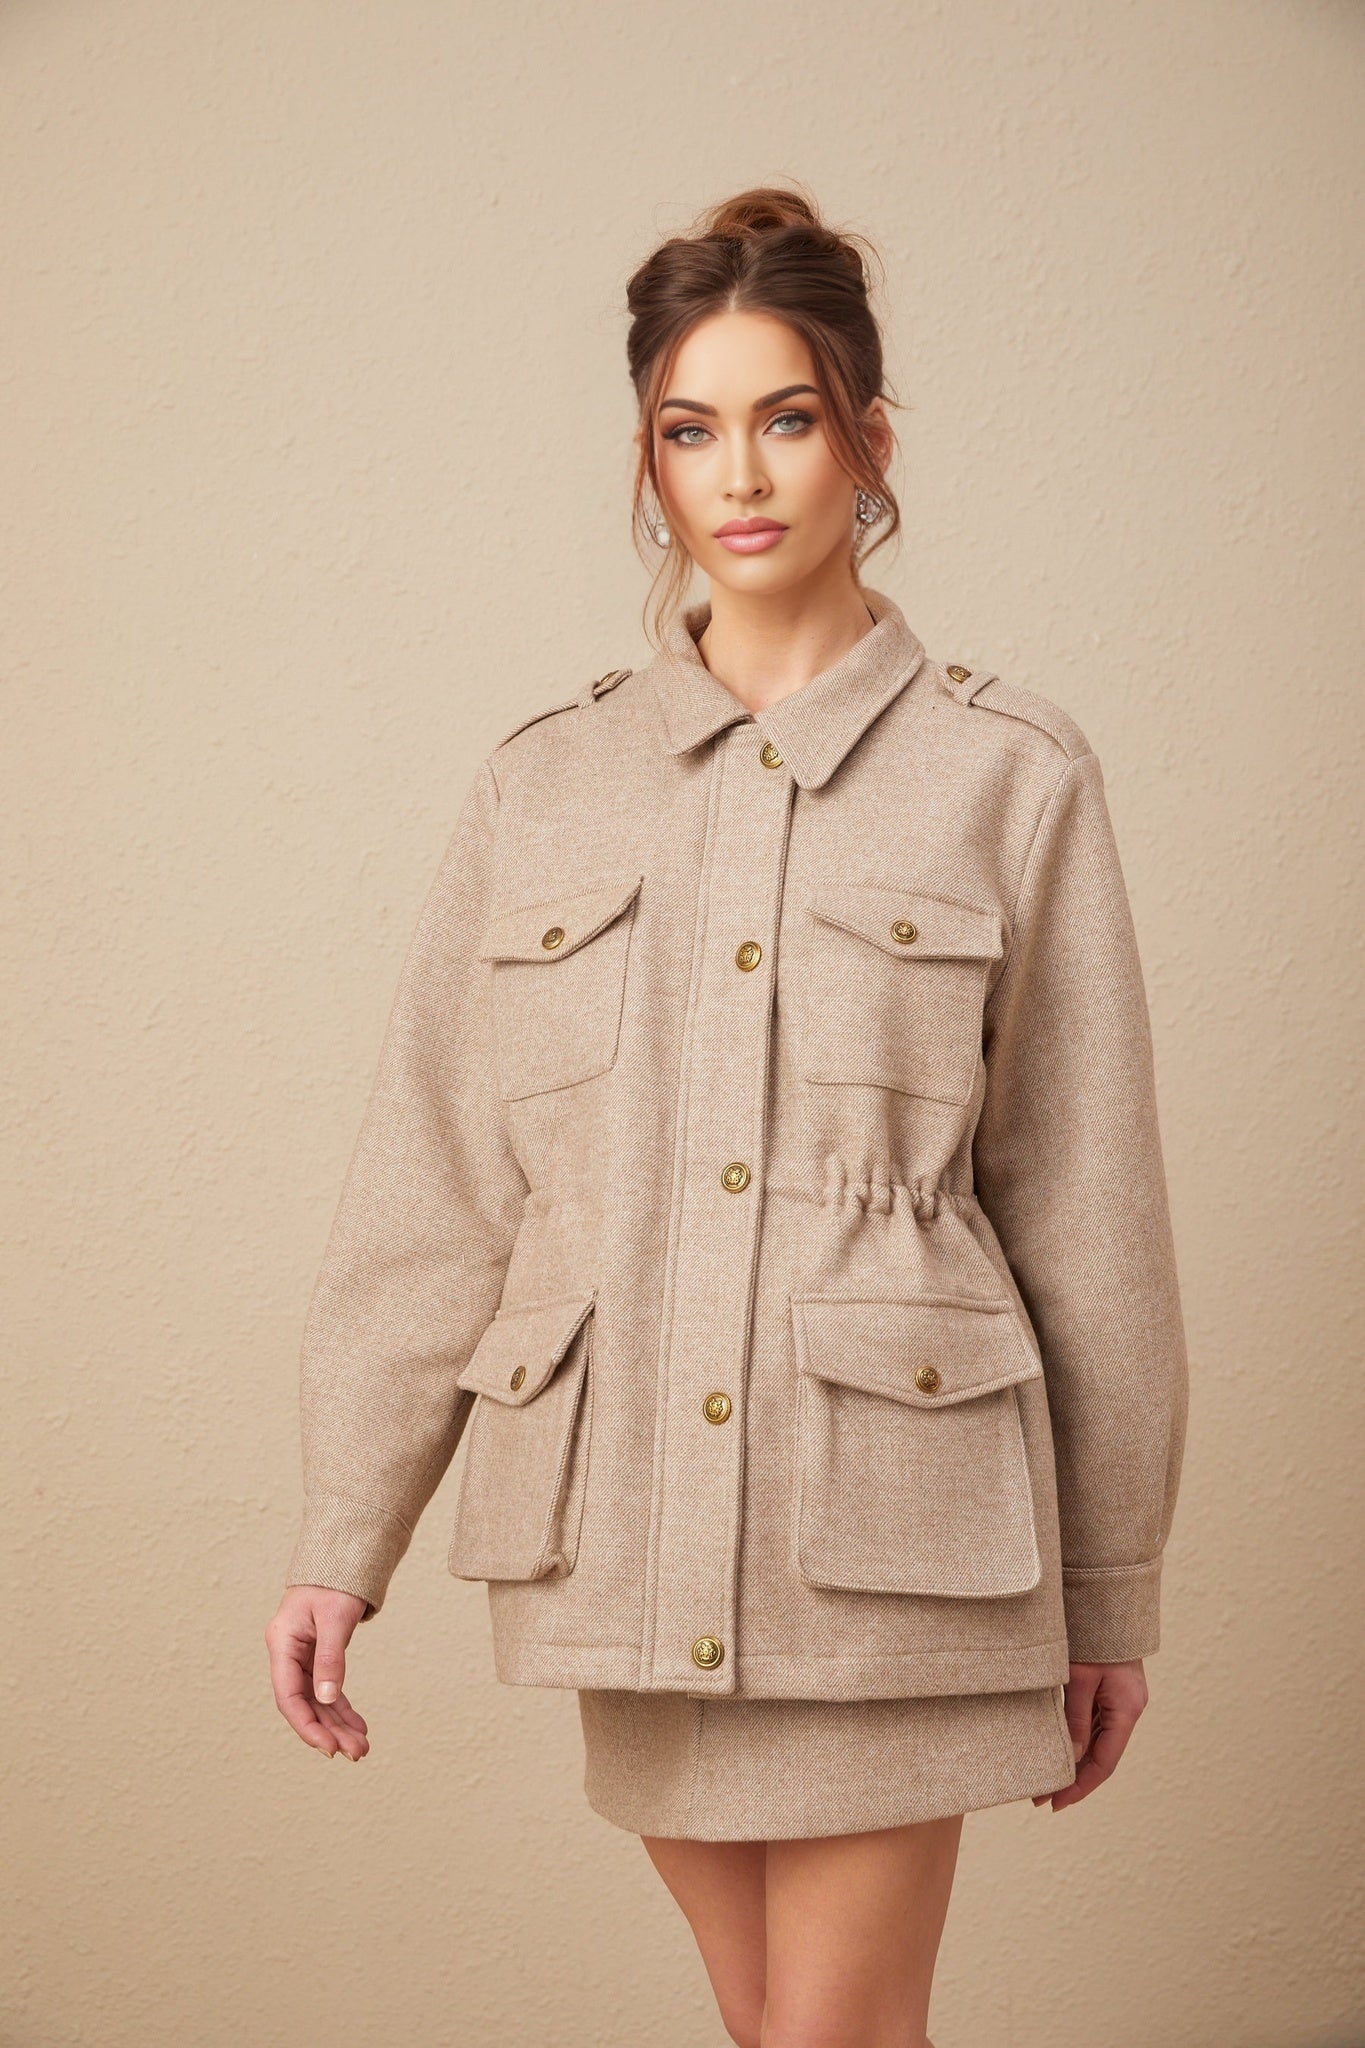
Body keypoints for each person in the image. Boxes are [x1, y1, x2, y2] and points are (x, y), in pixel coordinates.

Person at [265, 183, 1189, 2048]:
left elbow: (1084, 1203)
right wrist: (338, 1538)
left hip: (898, 1541)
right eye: (689, 429)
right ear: (649, 460)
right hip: (633, 1534)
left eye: (785, 417)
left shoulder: (1006, 773)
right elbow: (439, 1189)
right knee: (780, 2037)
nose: (739, 473)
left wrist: (1112, 1586)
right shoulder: (547, 780)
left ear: (866, 440)